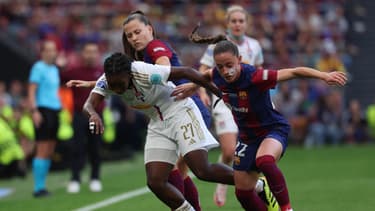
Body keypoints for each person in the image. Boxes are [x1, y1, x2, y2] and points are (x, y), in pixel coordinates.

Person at [172, 40, 347, 211]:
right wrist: (193, 86)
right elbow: (207, 75)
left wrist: (324, 75)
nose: (225, 71)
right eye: (220, 66)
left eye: (229, 64)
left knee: (264, 160)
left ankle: (286, 208)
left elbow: (294, 72)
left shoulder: (255, 76)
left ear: (239, 60)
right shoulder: (218, 74)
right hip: (248, 138)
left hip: (272, 129)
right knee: (243, 194)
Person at [67, 52, 234, 211]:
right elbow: (88, 105)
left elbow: (188, 71)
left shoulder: (145, 72)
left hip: (179, 111)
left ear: (129, 75)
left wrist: (220, 94)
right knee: (155, 181)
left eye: (120, 84)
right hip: (157, 122)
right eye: (113, 85)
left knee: (201, 170)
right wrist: (93, 114)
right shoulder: (107, 80)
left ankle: (254, 184)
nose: (117, 89)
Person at [121, 10, 210, 210]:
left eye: (137, 32)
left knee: (179, 170)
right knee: (179, 171)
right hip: (174, 113)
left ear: (150, 29)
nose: (134, 38)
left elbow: (163, 65)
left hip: (187, 109)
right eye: (130, 35)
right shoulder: (140, 57)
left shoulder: (155, 46)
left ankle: (256, 185)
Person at [197, 5, 265, 207]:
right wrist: (202, 91)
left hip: (249, 103)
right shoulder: (217, 46)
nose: (237, 24)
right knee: (229, 151)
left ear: (246, 23)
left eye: (240, 21)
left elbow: (258, 71)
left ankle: (254, 187)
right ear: (227, 23)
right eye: (233, 21)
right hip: (224, 101)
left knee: (252, 150)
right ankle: (225, 184)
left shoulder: (254, 46)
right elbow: (202, 70)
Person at [60, 42, 104, 193]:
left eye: (94, 52)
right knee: (77, 148)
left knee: (95, 148)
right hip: (79, 115)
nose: (91, 55)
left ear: (97, 54)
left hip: (97, 115)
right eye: (88, 52)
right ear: (83, 54)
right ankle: (75, 179)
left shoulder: (102, 71)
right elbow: (59, 77)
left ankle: (95, 178)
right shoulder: (74, 71)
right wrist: (60, 65)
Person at [27, 40, 62, 197]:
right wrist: (34, 110)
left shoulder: (54, 69)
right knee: (42, 147)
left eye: (53, 50)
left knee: (50, 148)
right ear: (42, 52)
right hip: (43, 109)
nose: (52, 53)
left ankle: (43, 185)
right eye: (48, 50)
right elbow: (32, 90)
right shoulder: (38, 67)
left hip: (54, 110)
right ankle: (37, 187)